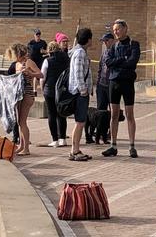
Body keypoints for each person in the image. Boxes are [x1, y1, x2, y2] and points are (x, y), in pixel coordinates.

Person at [102, 19, 140, 158]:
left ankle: (132, 146)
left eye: (117, 29)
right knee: (114, 114)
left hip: (127, 83)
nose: (115, 32)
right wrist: (121, 59)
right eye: (114, 30)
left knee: (130, 114)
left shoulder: (134, 44)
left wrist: (119, 62)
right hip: (114, 83)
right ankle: (113, 145)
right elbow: (108, 62)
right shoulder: (113, 46)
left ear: (125, 29)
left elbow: (132, 62)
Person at [6, 43, 42, 155]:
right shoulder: (17, 64)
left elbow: (41, 74)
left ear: (18, 53)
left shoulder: (28, 62)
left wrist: (30, 72)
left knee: (22, 122)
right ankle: (21, 146)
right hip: (18, 95)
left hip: (27, 94)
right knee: (19, 121)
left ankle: (26, 148)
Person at [68, 28, 93, 161]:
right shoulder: (80, 53)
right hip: (79, 93)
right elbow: (78, 74)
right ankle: (75, 150)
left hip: (81, 92)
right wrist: (83, 90)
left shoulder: (79, 52)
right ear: (88, 39)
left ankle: (75, 149)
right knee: (80, 122)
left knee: (80, 122)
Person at [41, 36, 70, 148]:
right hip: (63, 90)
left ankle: (55, 139)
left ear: (49, 50)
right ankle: (63, 138)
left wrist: (43, 89)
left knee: (51, 114)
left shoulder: (47, 60)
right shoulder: (66, 59)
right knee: (62, 114)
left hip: (50, 90)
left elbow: (43, 77)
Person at [95, 33, 115, 110]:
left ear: (112, 41)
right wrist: (98, 82)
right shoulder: (104, 53)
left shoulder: (116, 52)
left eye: (106, 40)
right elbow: (100, 68)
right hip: (102, 84)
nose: (105, 43)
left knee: (113, 110)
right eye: (104, 41)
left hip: (111, 85)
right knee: (101, 109)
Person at [28, 29, 47, 95]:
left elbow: (45, 51)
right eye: (37, 34)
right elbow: (28, 52)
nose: (38, 36)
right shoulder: (31, 42)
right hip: (32, 61)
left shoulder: (43, 42)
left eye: (39, 34)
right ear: (34, 35)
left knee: (36, 75)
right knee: (30, 75)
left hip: (39, 61)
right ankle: (32, 89)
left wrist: (43, 51)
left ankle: (35, 91)